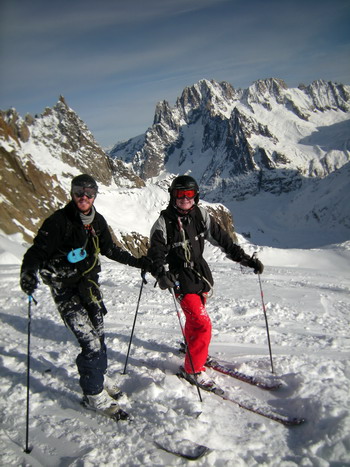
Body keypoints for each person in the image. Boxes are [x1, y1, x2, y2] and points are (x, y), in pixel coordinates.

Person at [20, 174, 151, 420]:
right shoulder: (58, 222)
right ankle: (92, 395)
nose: (83, 196)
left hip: (89, 287)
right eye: (79, 190)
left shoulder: (97, 221)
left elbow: (110, 249)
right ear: (71, 192)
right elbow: (36, 251)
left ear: (95, 196)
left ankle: (98, 376)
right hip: (65, 290)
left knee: (99, 337)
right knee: (90, 343)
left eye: (89, 192)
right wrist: (28, 273)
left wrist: (139, 262)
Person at [147, 175, 263, 389]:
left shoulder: (201, 215)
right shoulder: (163, 223)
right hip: (180, 278)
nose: (184, 199)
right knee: (202, 324)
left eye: (189, 194)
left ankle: (193, 349)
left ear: (196, 196)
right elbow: (155, 253)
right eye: (179, 194)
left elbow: (224, 240)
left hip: (200, 275)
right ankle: (192, 368)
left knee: (195, 319)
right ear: (172, 196)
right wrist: (160, 273)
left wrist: (246, 260)